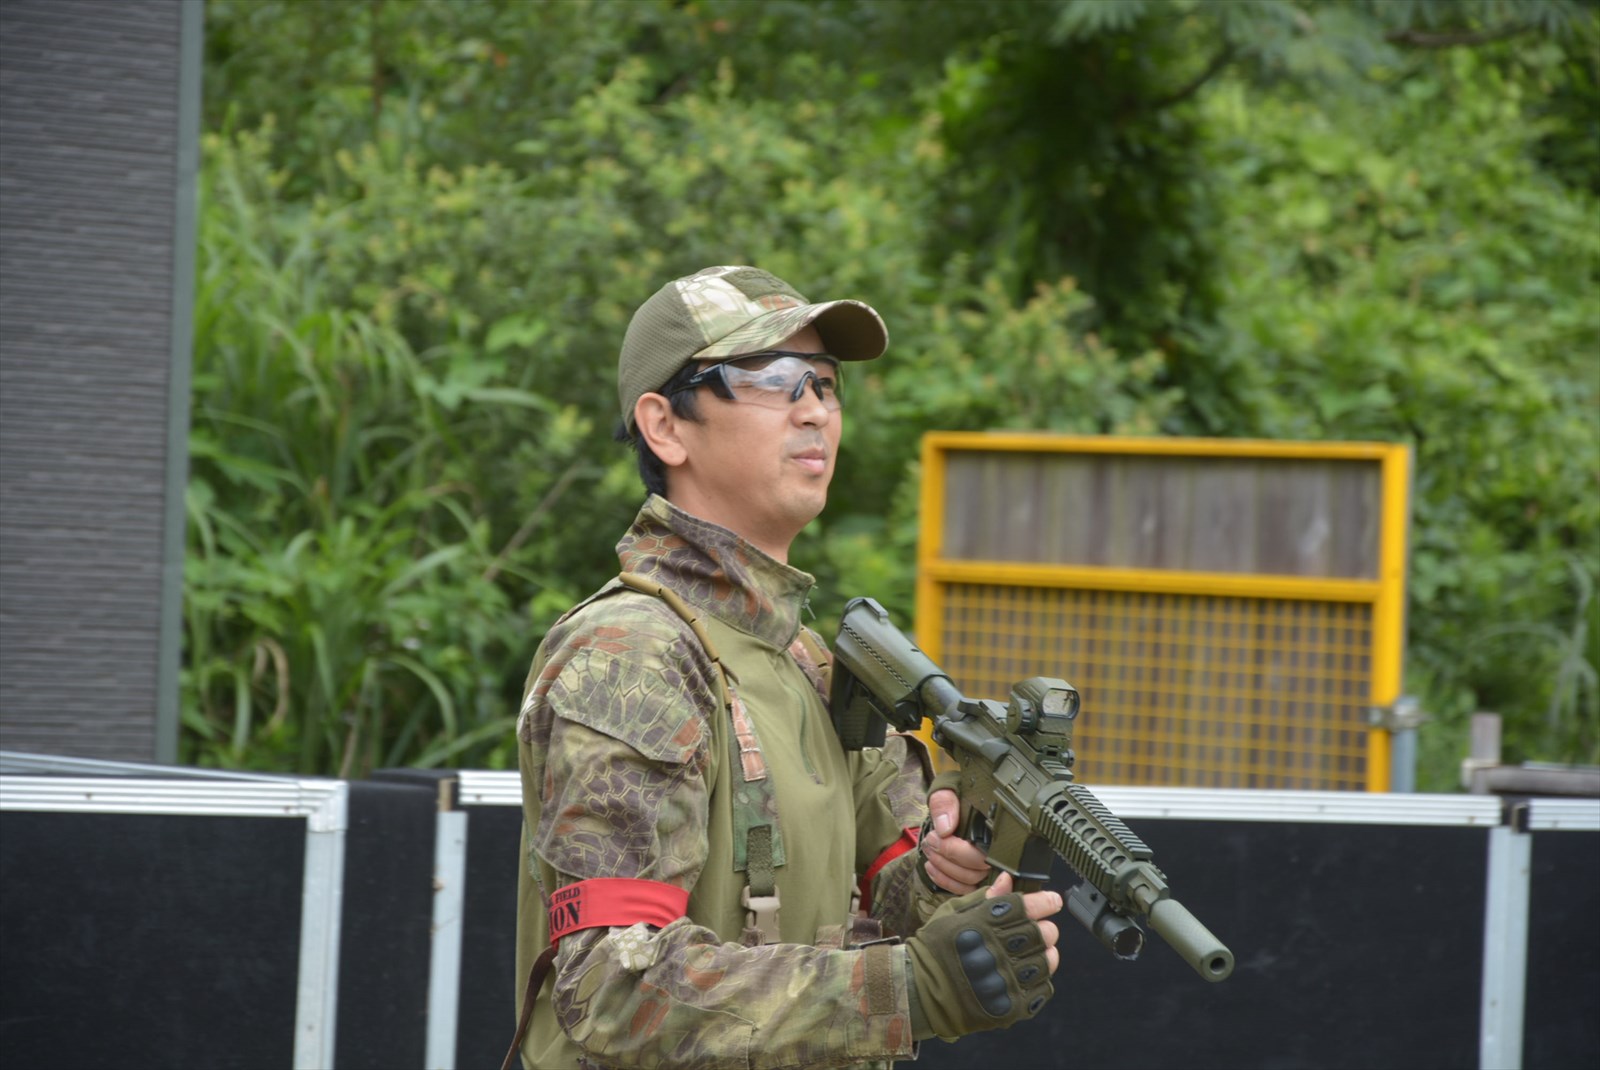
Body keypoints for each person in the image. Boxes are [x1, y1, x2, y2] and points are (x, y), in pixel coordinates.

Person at [510, 266, 1063, 1070]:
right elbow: (611, 987)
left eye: (825, 383)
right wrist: (908, 991)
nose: (814, 409)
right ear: (665, 426)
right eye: (771, 377)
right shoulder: (632, 654)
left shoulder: (807, 662)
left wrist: (953, 870)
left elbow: (891, 906)